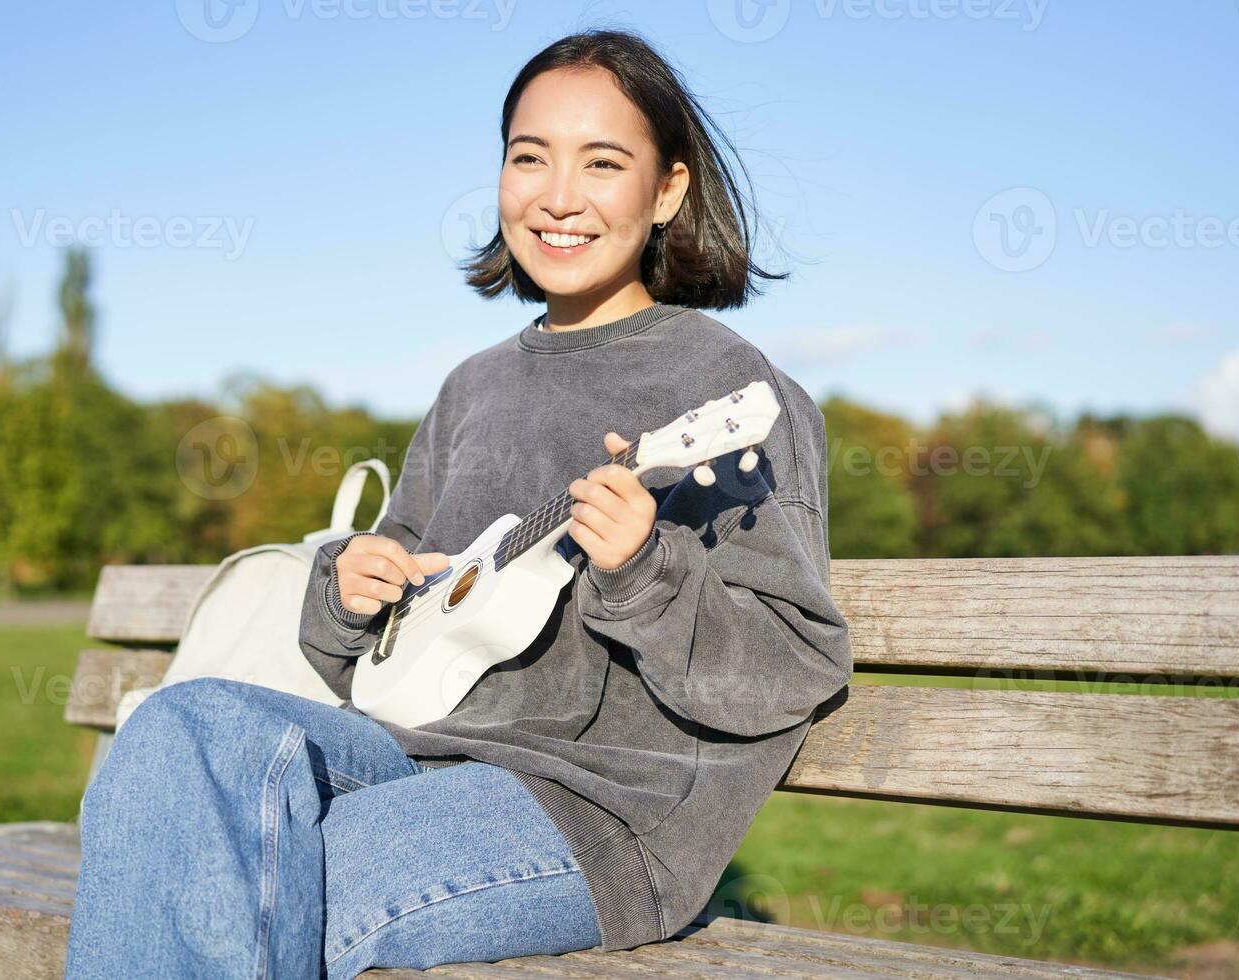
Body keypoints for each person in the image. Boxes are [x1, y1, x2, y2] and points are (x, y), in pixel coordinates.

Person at [64, 27, 853, 979]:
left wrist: (646, 574)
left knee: (227, 882)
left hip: (597, 809)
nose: (559, 196)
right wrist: (351, 590)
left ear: (668, 193)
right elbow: (390, 637)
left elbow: (792, 667)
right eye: (531, 158)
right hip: (413, 755)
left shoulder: (726, 388)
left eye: (603, 163)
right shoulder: (472, 387)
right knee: (173, 733)